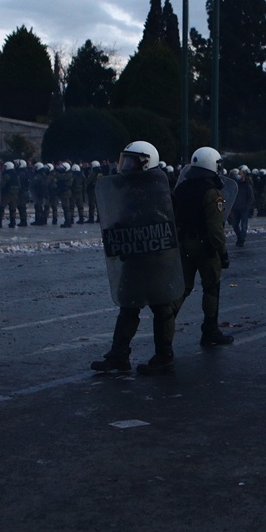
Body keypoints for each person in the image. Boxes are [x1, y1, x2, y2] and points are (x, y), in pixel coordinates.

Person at [90, 141, 186, 376]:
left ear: (147, 161)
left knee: (162, 305)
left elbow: (170, 223)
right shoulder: (127, 188)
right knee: (128, 304)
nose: (127, 165)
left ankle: (164, 356)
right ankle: (118, 355)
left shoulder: (161, 190)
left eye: (133, 160)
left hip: (157, 256)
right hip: (134, 255)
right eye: (127, 159)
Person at [174, 147, 233, 347]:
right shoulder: (211, 192)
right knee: (211, 288)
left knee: (181, 289)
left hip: (184, 243)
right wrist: (222, 252)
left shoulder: (181, 188)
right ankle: (210, 330)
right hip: (205, 246)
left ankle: (164, 325)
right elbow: (215, 229)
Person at [230, 166, 254, 247]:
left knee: (244, 226)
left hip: (244, 208)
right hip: (236, 208)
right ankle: (240, 238)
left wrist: (247, 207)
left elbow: (250, 197)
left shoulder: (247, 185)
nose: (239, 175)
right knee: (234, 225)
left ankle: (241, 240)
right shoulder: (236, 184)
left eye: (241, 174)